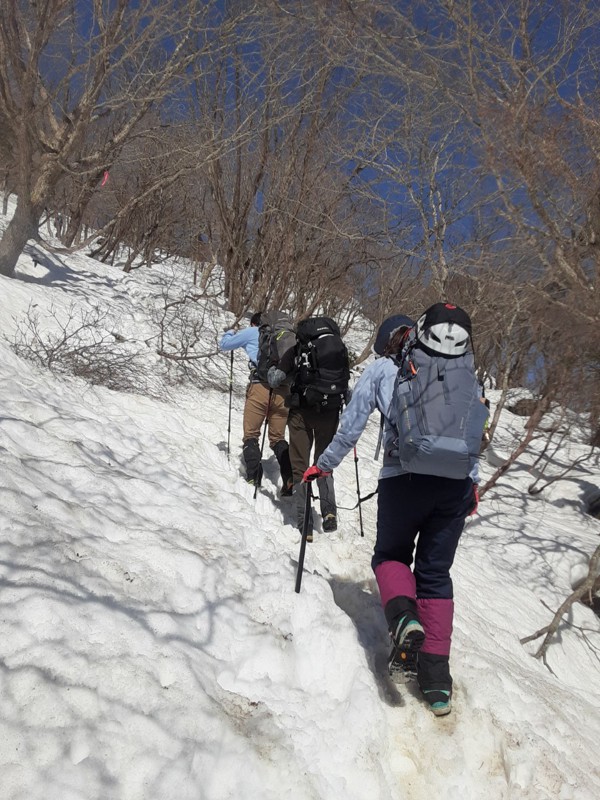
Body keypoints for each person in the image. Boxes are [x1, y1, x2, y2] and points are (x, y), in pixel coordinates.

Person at [303, 306, 482, 717]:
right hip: (454, 487)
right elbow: (471, 433)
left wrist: (324, 465)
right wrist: (471, 483)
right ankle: (436, 684)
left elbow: (350, 426)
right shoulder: (465, 372)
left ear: (389, 340)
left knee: (391, 555)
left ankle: (403, 618)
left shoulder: (384, 369)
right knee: (435, 574)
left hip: (403, 479)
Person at [220, 313, 293, 493]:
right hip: (283, 391)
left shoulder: (253, 331)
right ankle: (289, 477)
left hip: (259, 387)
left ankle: (254, 476)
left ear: (255, 323)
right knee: (278, 438)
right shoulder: (288, 337)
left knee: (251, 434)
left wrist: (230, 332)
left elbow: (224, 345)